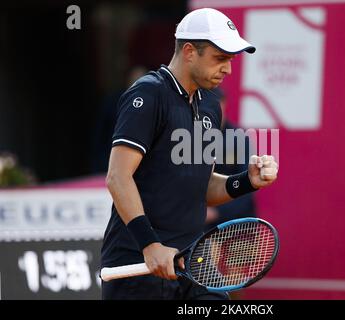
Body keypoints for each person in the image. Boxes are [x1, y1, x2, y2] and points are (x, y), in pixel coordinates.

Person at [101, 8, 279, 300]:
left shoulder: (210, 105)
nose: (228, 69)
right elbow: (117, 177)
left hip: (194, 264)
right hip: (138, 266)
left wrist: (246, 180)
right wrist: (151, 245)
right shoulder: (147, 95)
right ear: (189, 51)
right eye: (220, 59)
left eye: (230, 60)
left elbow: (203, 186)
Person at [205, 87, 257, 230]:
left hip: (239, 226)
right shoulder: (192, 138)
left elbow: (248, 186)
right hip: (201, 229)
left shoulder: (239, 138)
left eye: (219, 109)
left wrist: (215, 212)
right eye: (211, 109)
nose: (216, 115)